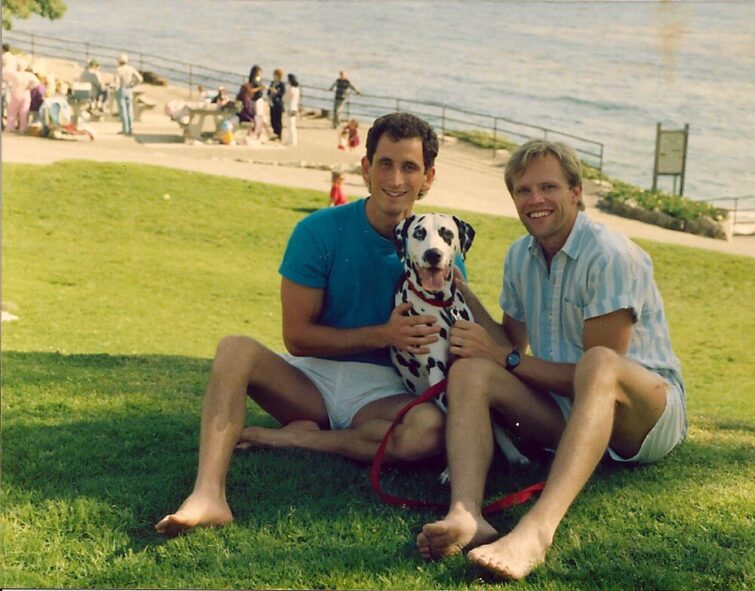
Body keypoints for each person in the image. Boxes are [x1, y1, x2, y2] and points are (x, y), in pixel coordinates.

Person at [155, 112, 450, 536]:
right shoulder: (317, 231)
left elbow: (447, 338)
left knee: (429, 432)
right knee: (234, 347)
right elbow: (296, 338)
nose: (396, 178)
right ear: (365, 168)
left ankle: (294, 439)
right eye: (385, 163)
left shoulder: (439, 245)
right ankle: (207, 494)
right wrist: (384, 334)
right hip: (310, 382)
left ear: (428, 178)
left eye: (410, 167)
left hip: (387, 391)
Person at [415, 139, 688, 580]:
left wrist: (506, 359)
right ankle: (466, 514)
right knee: (469, 367)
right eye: (523, 191)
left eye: (549, 187)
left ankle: (537, 531)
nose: (535, 200)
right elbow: (509, 345)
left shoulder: (609, 254)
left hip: (645, 416)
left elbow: (594, 377)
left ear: (576, 191)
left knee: (597, 362)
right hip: (572, 413)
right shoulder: (519, 257)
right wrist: (463, 295)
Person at [113, 53, 143, 135]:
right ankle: (131, 128)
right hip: (129, 89)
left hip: (121, 89)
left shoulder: (118, 70)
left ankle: (125, 129)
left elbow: (117, 82)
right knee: (129, 109)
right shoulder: (131, 68)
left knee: (123, 110)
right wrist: (133, 84)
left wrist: (114, 88)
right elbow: (140, 78)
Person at [5, 62, 39, 133]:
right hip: (26, 93)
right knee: (24, 112)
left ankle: (10, 127)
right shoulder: (29, 75)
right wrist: (29, 87)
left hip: (16, 93)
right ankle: (23, 129)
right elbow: (37, 83)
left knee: (12, 112)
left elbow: (4, 75)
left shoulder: (15, 74)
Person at [268, 68, 286, 141]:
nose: (274, 76)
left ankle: (279, 134)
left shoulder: (282, 84)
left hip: (278, 103)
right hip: (272, 103)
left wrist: (276, 92)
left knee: (278, 119)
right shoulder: (272, 83)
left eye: (275, 75)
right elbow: (269, 92)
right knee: (272, 119)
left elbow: (282, 93)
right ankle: (274, 133)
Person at [284, 73, 300, 146]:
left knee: (290, 125)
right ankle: (291, 140)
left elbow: (286, 97)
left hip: (290, 107)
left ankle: (292, 140)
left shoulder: (290, 88)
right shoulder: (297, 89)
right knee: (292, 124)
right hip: (295, 107)